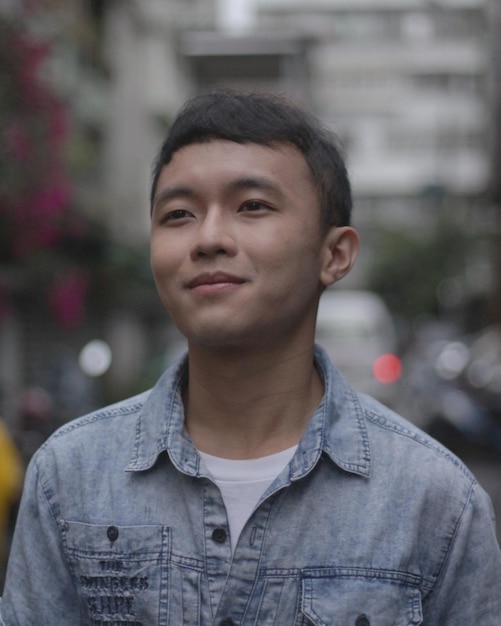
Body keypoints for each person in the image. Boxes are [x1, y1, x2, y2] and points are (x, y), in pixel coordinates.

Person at [1, 89, 500, 625]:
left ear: (335, 254)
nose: (209, 237)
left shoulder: (435, 499)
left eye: (253, 206)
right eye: (179, 213)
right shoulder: (70, 474)